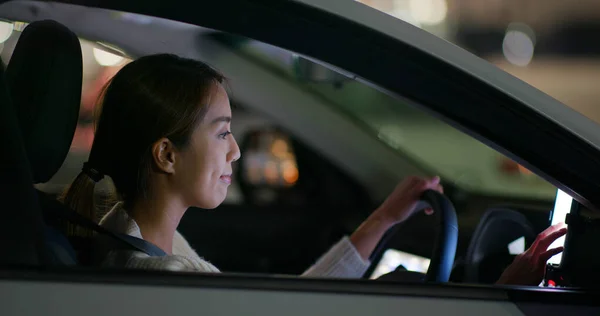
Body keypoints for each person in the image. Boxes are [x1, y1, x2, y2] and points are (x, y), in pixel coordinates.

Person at [62, 54, 566, 283]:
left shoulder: (133, 233)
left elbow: (294, 302)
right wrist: (501, 297)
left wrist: (382, 222)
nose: (237, 152)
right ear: (166, 154)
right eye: (222, 133)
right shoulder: (162, 277)